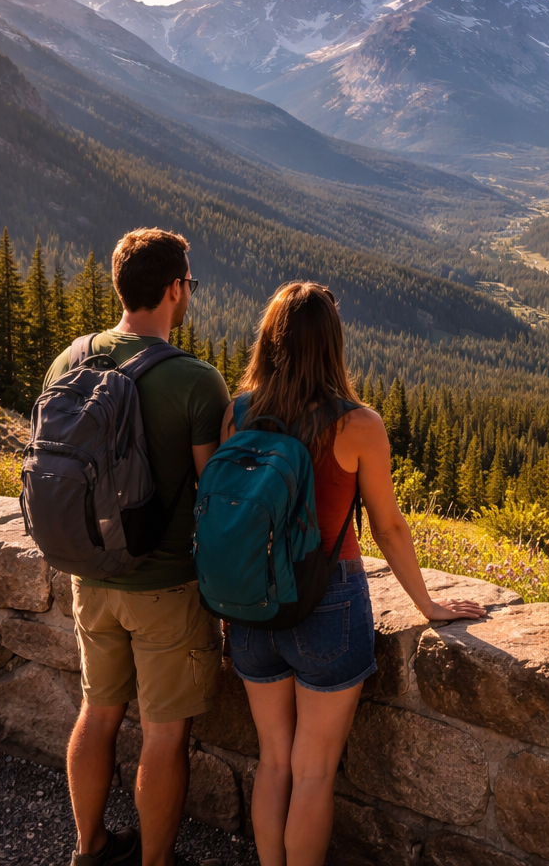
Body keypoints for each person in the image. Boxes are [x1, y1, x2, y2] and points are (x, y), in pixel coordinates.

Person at [222, 282, 484, 866]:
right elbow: (389, 528)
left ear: (270, 339)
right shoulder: (358, 425)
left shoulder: (238, 412)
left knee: (274, 760)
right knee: (314, 773)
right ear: (334, 345)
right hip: (327, 601)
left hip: (251, 600)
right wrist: (428, 605)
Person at [46, 229, 231, 866]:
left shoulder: (71, 359)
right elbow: (216, 491)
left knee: (97, 714)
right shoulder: (196, 382)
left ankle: (90, 847)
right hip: (164, 583)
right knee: (162, 735)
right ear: (176, 290)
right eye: (190, 286)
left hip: (88, 574)